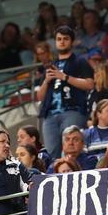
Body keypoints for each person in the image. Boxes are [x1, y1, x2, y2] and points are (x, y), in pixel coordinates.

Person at [37, 26, 94, 157]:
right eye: (59, 39)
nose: (62, 42)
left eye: (65, 39)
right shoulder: (51, 65)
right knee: (51, 155)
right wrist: (46, 81)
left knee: (71, 151)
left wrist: (65, 77)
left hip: (73, 110)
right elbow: (40, 97)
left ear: (72, 42)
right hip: (50, 115)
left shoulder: (80, 61)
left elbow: (90, 84)